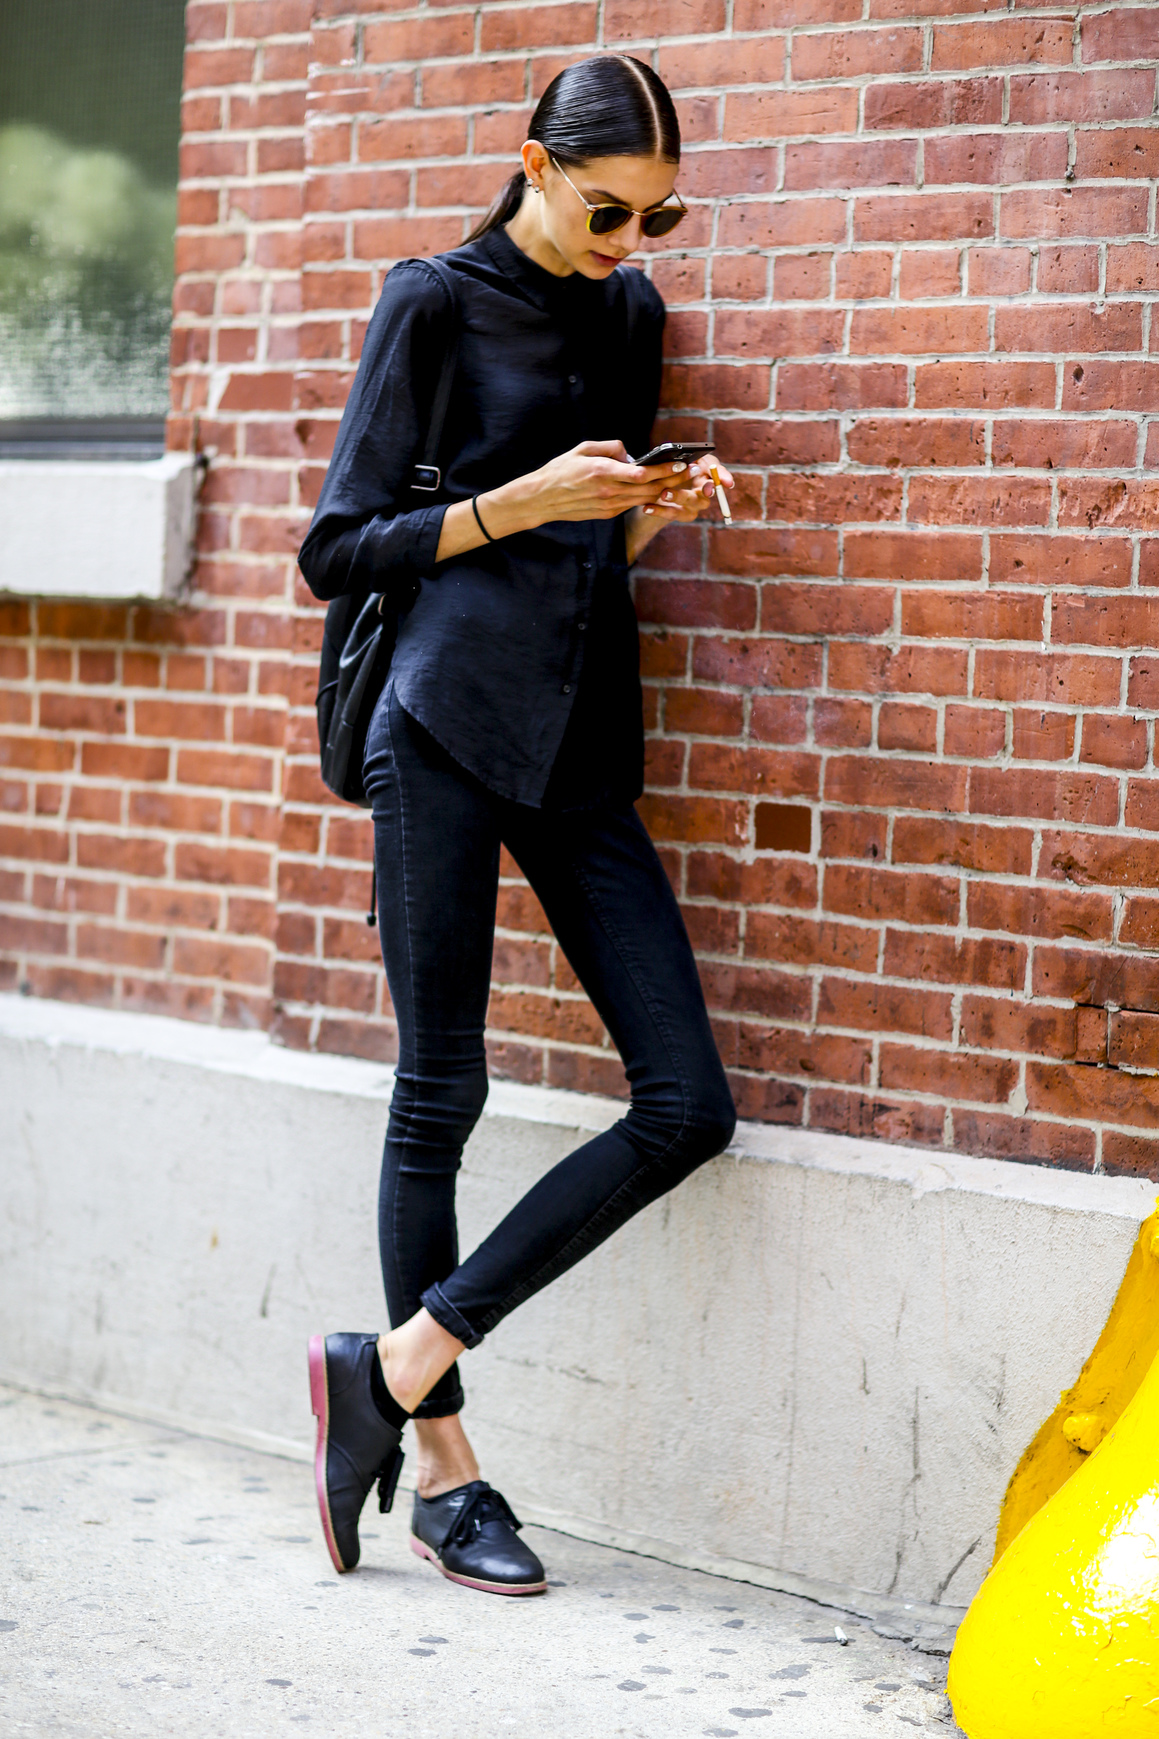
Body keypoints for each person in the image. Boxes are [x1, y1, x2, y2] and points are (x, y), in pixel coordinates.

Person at [298, 52, 736, 1598]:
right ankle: (445, 1473)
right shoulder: (432, 300)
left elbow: (591, 532)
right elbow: (336, 547)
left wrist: (641, 510)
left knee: (687, 1104)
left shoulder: (632, 316)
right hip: (438, 720)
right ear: (535, 164)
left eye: (658, 216)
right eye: (609, 208)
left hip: (581, 733)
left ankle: (395, 1360)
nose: (631, 241)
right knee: (444, 1090)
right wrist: (519, 504)